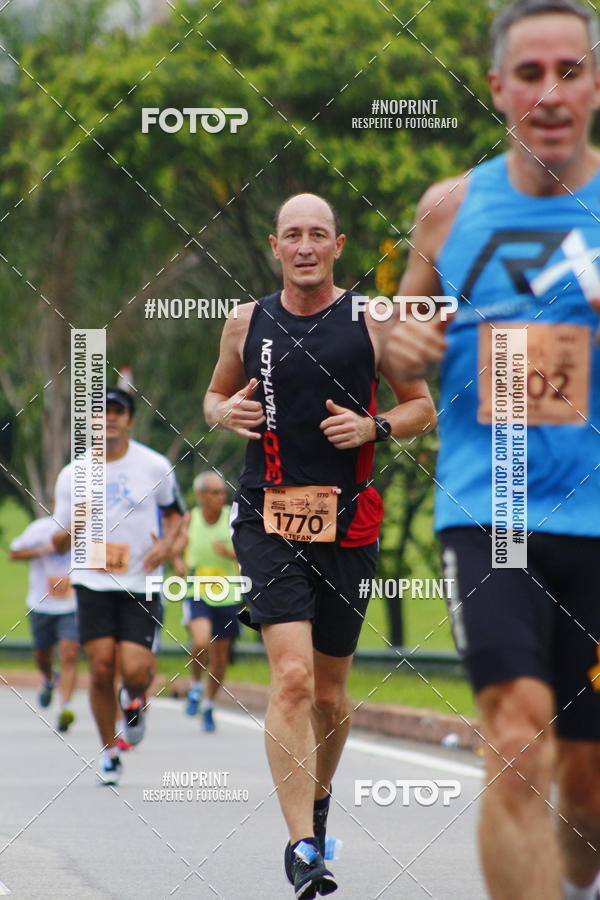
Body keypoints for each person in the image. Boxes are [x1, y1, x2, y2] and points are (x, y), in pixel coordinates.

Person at [386, 2, 600, 897]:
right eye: (528, 73)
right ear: (496, 88)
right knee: (516, 737)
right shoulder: (448, 212)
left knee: (587, 787)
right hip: (491, 508)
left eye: (569, 70)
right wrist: (402, 349)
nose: (549, 92)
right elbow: (402, 335)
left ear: (595, 82)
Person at [204, 192, 436, 898]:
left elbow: (420, 406)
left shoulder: (376, 321)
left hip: (349, 522)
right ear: (276, 248)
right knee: (294, 679)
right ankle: (303, 848)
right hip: (267, 516)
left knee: (332, 699)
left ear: (338, 247)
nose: (305, 246)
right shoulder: (245, 321)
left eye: (318, 235)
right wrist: (224, 410)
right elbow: (213, 399)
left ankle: (319, 799)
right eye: (292, 236)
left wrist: (376, 429)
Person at [52, 387, 184, 785]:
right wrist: (76, 523)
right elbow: (57, 542)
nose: (108, 419)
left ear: (129, 420)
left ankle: (134, 699)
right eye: (100, 413)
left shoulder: (154, 465)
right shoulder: (72, 474)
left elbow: (177, 516)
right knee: (102, 667)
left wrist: (165, 546)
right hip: (92, 581)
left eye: (117, 412)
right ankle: (109, 751)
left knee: (136, 669)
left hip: (140, 581)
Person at [175, 471, 242, 732]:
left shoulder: (231, 518)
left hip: (227, 593)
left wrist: (230, 552)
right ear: (201, 495)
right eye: (215, 492)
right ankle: (195, 686)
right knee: (201, 642)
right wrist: (178, 562)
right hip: (198, 591)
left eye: (223, 492)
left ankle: (210, 704)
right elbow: (177, 549)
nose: (221, 497)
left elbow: (250, 548)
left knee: (221, 658)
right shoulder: (189, 519)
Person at [9, 516, 78, 732]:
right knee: (42, 656)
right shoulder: (40, 529)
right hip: (42, 605)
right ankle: (49, 678)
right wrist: (43, 550)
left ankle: (65, 707)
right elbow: (14, 553)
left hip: (72, 605)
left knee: (69, 654)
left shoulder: (88, 530)